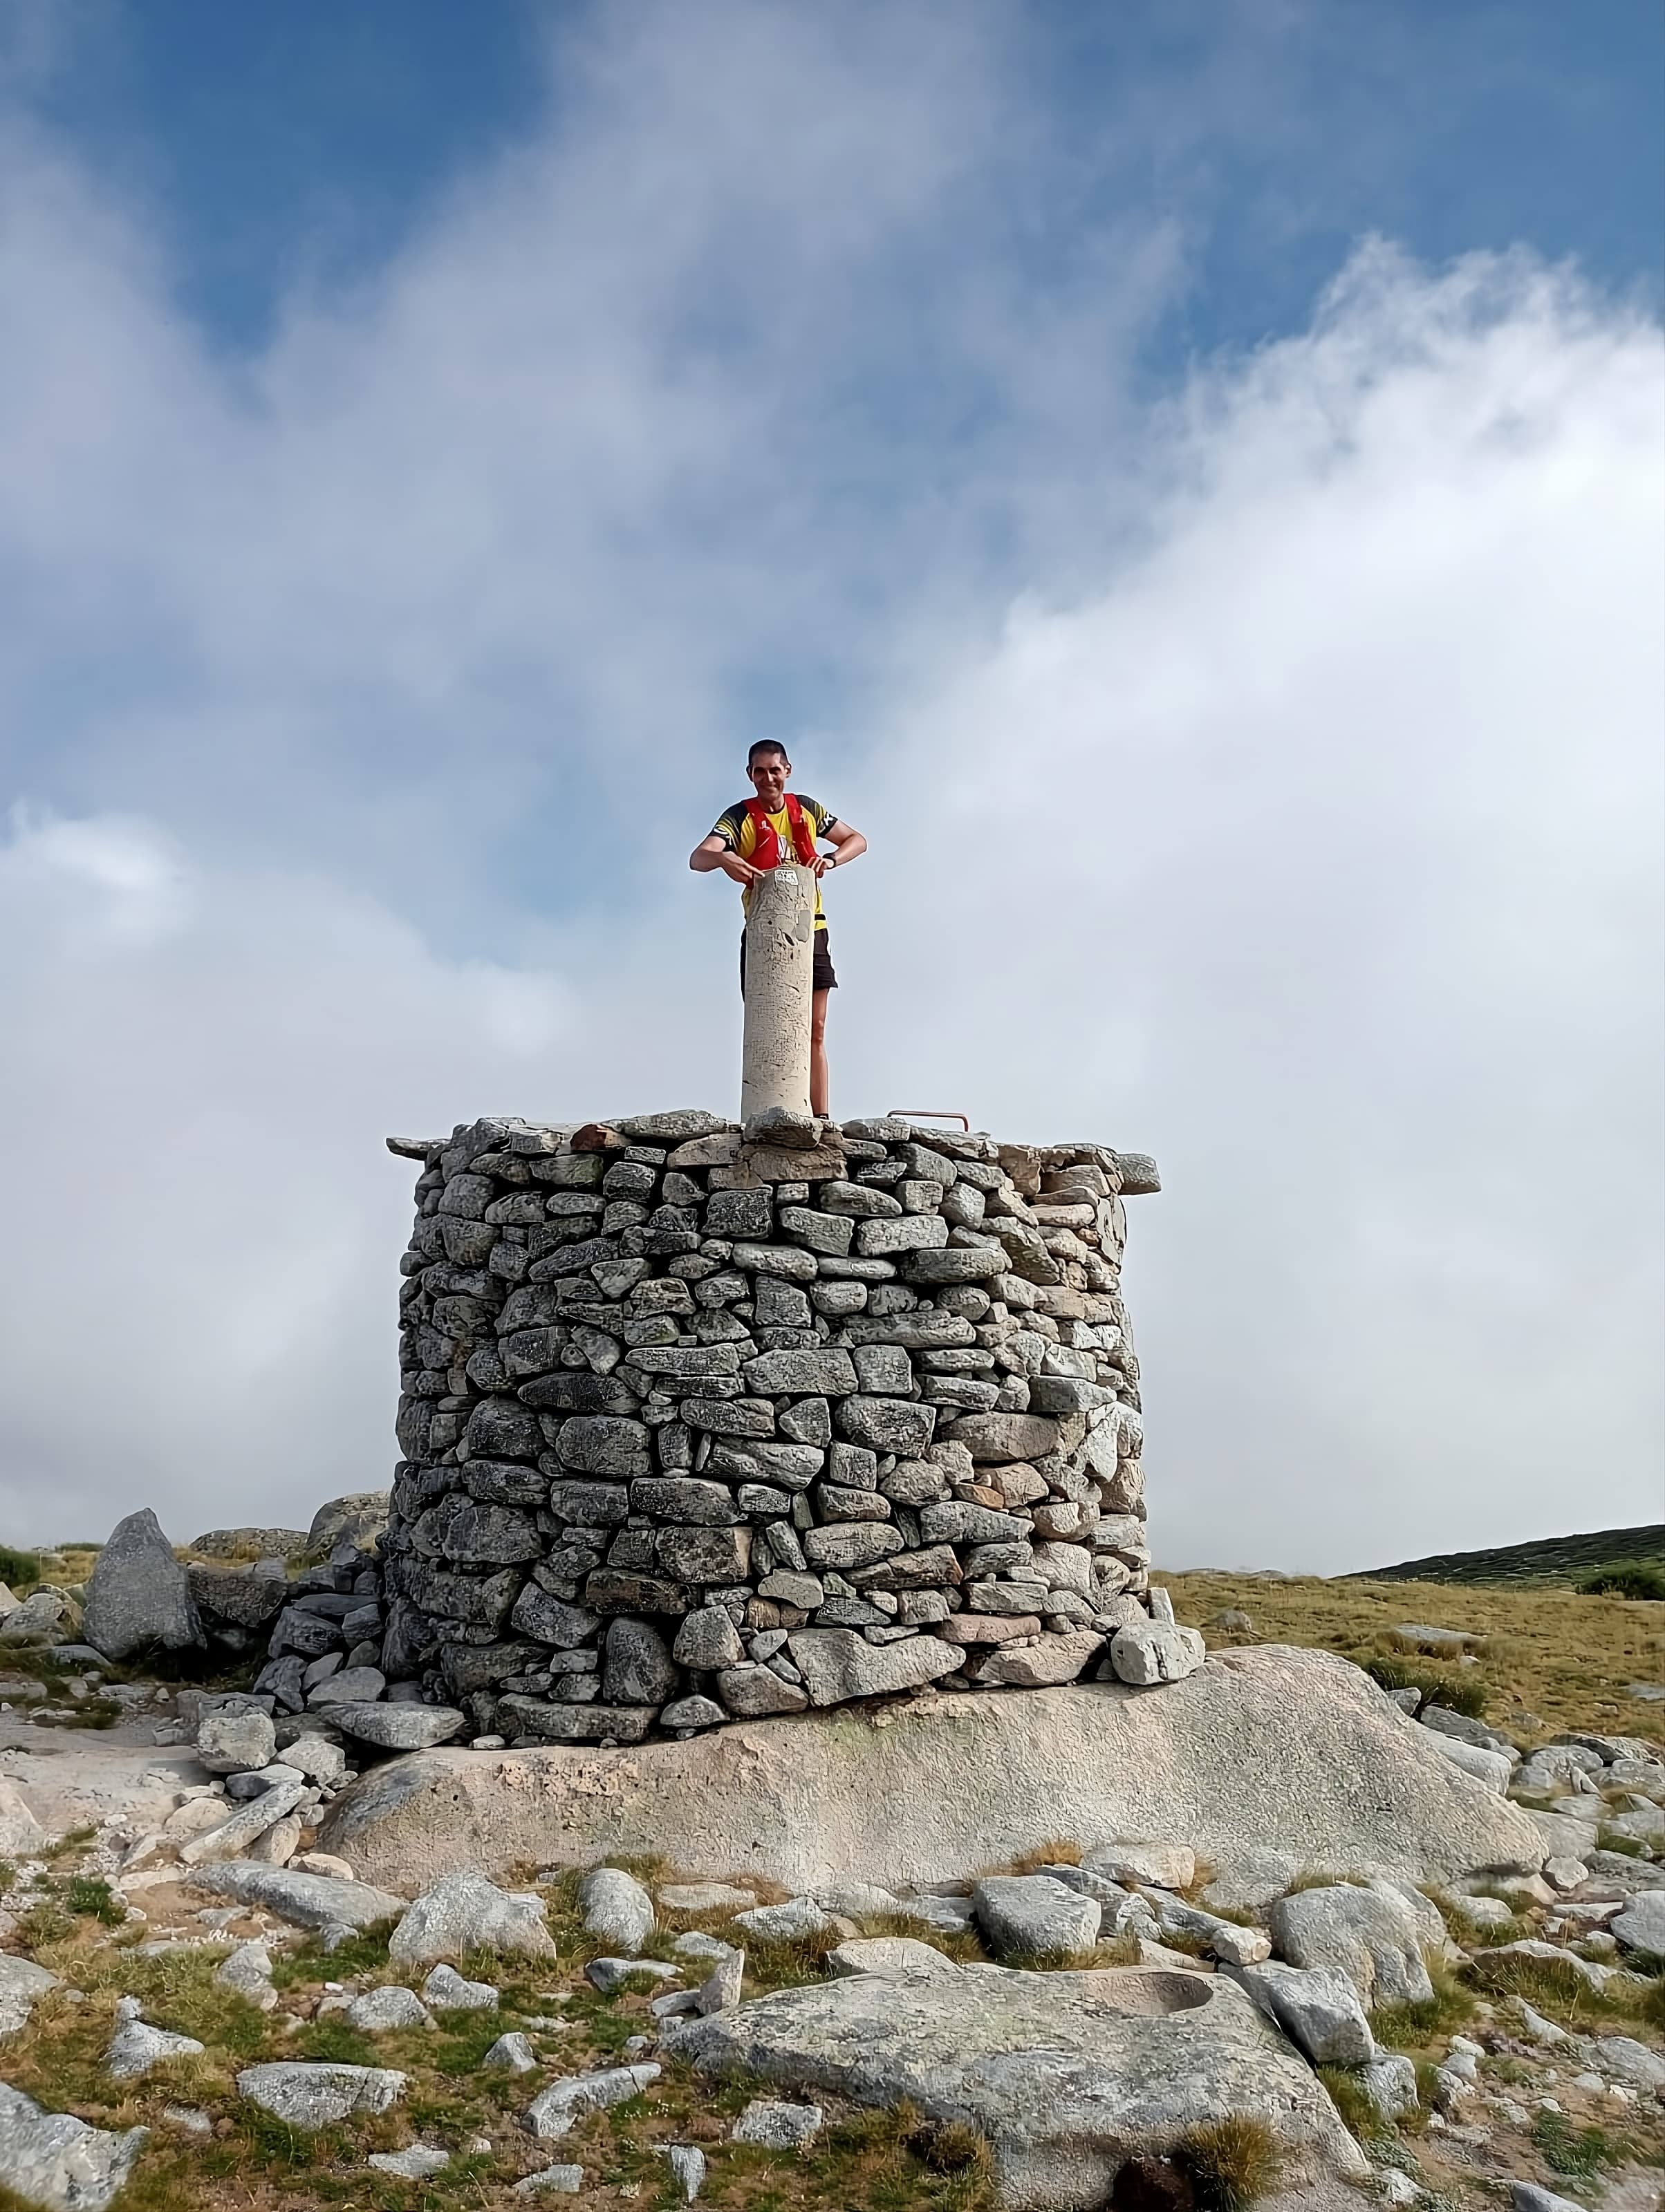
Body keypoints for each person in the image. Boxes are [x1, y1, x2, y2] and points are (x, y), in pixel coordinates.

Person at [689, 741, 866, 1118]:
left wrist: (832, 859)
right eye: (759, 771)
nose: (768, 778)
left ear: (787, 770)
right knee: (772, 1027)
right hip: (764, 932)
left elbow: (857, 840)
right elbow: (698, 857)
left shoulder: (807, 810)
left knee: (816, 1027)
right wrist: (724, 859)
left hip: (811, 927)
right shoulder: (740, 817)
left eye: (774, 770)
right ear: (750, 775)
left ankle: (821, 1117)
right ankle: (769, 1113)